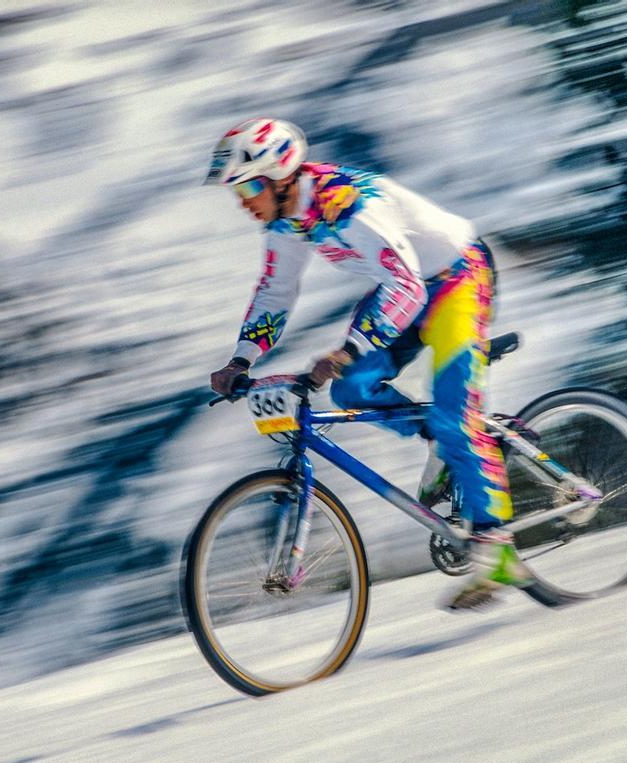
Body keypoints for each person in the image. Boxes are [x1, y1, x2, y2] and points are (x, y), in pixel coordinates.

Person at [204, 117, 531, 609]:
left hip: (456, 279)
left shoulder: (347, 206)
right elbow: (276, 291)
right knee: (351, 389)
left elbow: (408, 287)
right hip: (407, 288)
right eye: (238, 191)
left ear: (281, 176)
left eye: (249, 185)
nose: (244, 201)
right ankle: (440, 444)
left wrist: (350, 347)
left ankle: (497, 547)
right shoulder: (286, 221)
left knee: (453, 416)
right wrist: (241, 358)